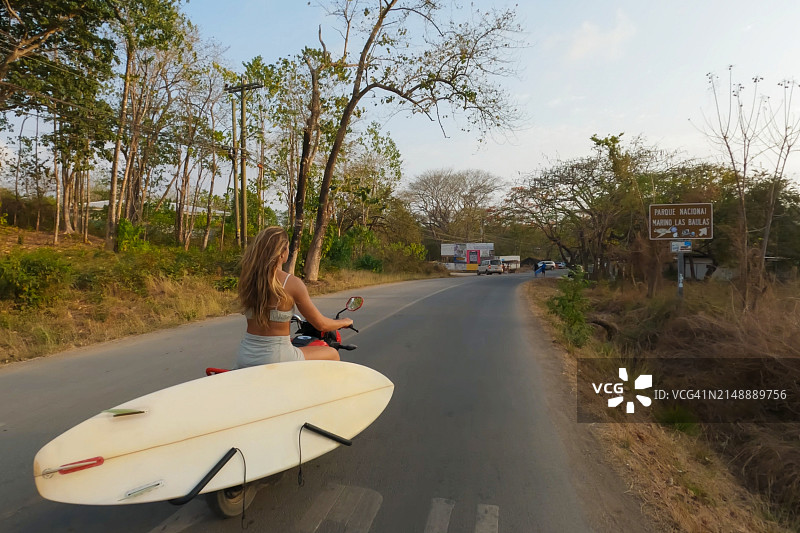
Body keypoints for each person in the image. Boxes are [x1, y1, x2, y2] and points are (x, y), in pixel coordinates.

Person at [235, 227, 353, 368]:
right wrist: (344, 322)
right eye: (287, 248)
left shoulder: (247, 280)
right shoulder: (291, 283)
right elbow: (322, 325)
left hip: (245, 356)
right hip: (277, 357)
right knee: (332, 353)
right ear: (281, 254)